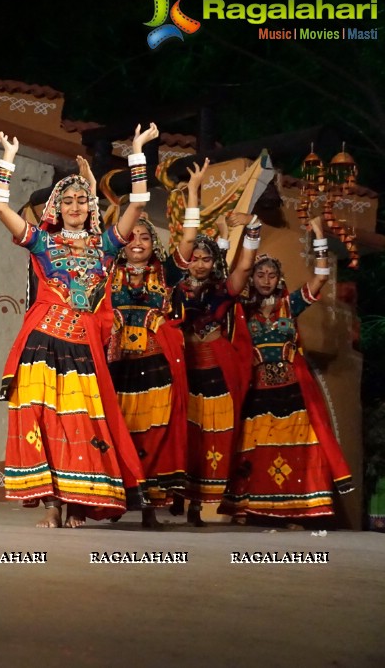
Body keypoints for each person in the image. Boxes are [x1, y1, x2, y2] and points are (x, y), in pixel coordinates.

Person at [0, 124, 159, 528]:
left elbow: (137, 205)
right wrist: (7, 161)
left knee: (78, 423)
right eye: (67, 200)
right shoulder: (42, 243)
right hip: (41, 345)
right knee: (41, 419)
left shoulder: (105, 246)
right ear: (56, 207)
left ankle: (77, 503)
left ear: (91, 207)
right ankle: (51, 504)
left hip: (81, 347)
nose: (75, 205)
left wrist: (137, 153)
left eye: (82, 200)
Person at [219, 217, 354, 524]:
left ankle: (297, 508)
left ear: (279, 279)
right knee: (256, 449)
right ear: (252, 279)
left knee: (296, 448)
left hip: (292, 389)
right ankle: (251, 508)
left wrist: (320, 235)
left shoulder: (290, 306)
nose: (265, 279)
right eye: (260, 274)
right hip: (257, 391)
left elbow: (320, 278)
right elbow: (223, 282)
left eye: (271, 275)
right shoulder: (242, 310)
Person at [103, 159, 208, 527]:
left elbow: (190, 241)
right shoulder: (106, 269)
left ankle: (149, 508)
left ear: (154, 244)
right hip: (116, 368)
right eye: (132, 236)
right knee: (118, 433)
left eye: (146, 237)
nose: (137, 242)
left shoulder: (167, 271)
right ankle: (114, 501)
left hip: (155, 366)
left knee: (154, 436)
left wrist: (193, 193)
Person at [175, 212, 261, 525]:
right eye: (194, 258)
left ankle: (198, 507)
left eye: (206, 259)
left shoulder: (222, 291)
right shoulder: (174, 289)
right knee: (187, 438)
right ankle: (180, 499)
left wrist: (252, 226)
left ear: (213, 262)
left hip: (217, 372)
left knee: (214, 438)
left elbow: (246, 266)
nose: (199, 264)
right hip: (186, 372)